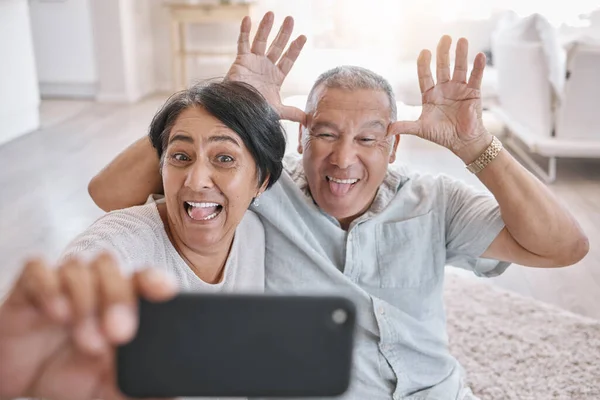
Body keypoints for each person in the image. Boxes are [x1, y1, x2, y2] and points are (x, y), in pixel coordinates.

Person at [1, 11, 589, 400]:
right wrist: (230, 102)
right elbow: (112, 194)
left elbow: (565, 247)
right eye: (327, 134)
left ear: (394, 144)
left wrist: (477, 147)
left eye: (367, 138)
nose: (343, 159)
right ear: (300, 138)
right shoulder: (261, 187)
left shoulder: (433, 201)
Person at [0, 80, 286, 399]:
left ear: (261, 181)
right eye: (180, 156)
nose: (196, 179)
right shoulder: (114, 249)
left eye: (224, 159)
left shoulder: (256, 231)